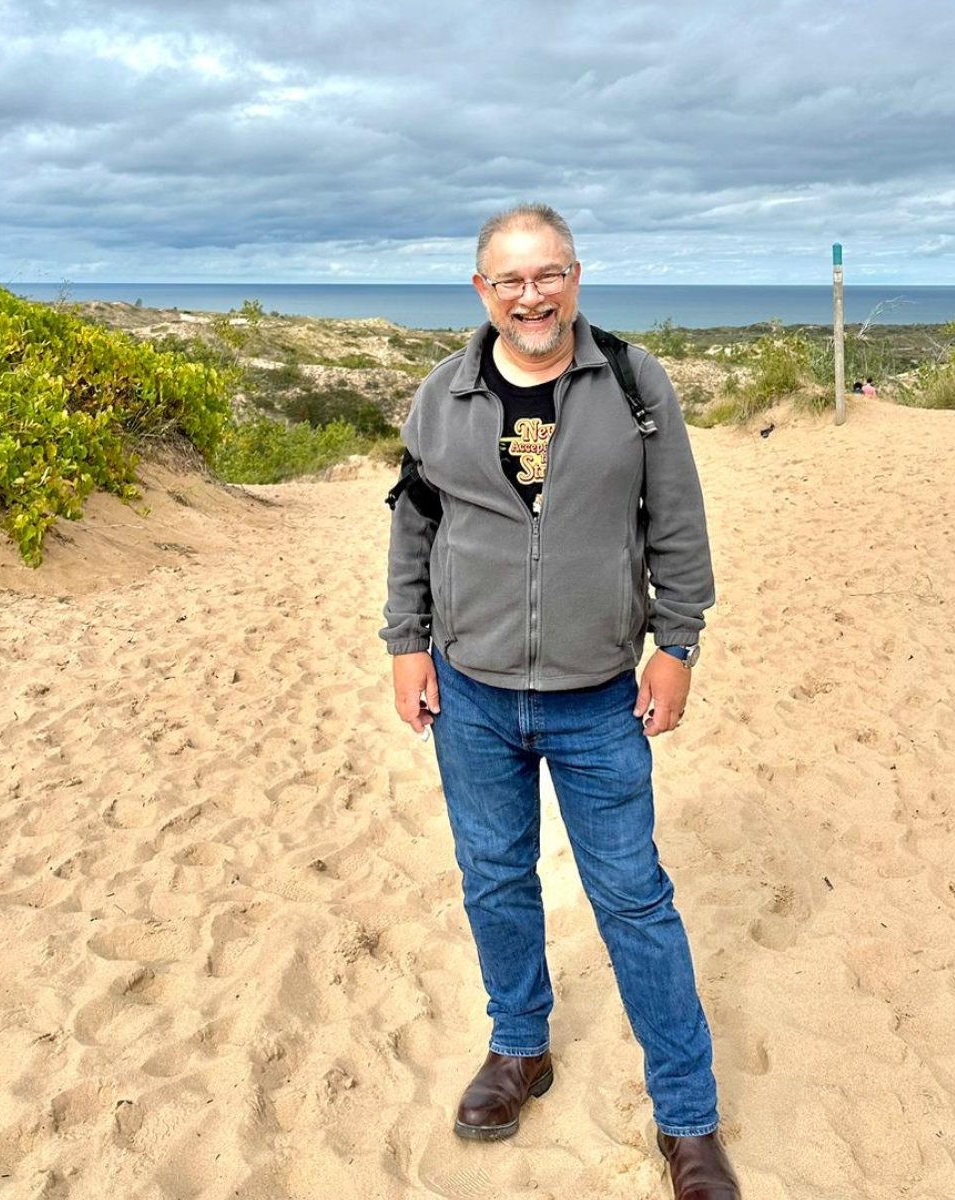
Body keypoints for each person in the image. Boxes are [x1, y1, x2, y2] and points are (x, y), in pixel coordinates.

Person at [381, 203, 739, 1200]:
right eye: (510, 279)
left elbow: (677, 520)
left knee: (633, 901)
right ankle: (519, 1049)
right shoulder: (442, 395)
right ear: (481, 291)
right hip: (472, 694)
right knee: (495, 881)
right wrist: (406, 644)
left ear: (575, 278)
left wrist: (679, 645)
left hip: (596, 701)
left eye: (549, 275)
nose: (531, 295)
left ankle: (689, 1120)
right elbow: (413, 524)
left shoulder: (631, 382)